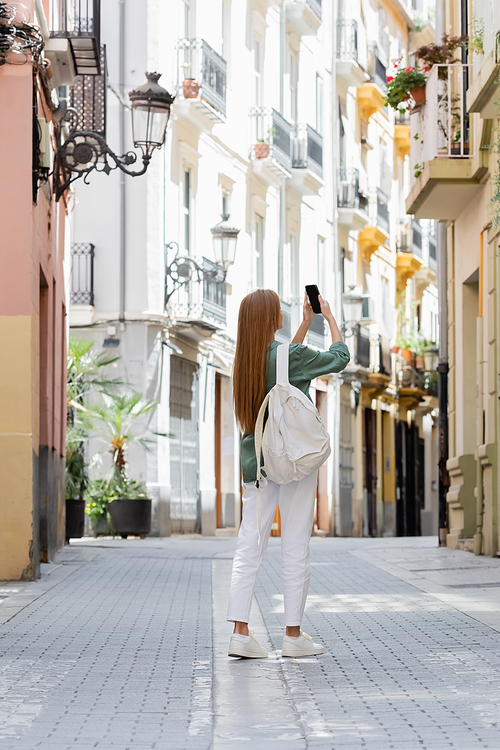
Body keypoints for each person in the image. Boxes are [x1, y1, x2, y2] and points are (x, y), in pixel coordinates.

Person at [227, 288, 350, 658]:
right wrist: (327, 317)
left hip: (258, 466)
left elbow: (283, 372)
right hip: (294, 462)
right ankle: (293, 636)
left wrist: (303, 324)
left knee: (249, 546)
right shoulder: (289, 356)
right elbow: (339, 358)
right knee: (296, 545)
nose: (282, 312)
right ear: (269, 318)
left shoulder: (243, 363)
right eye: (278, 309)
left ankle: (239, 632)